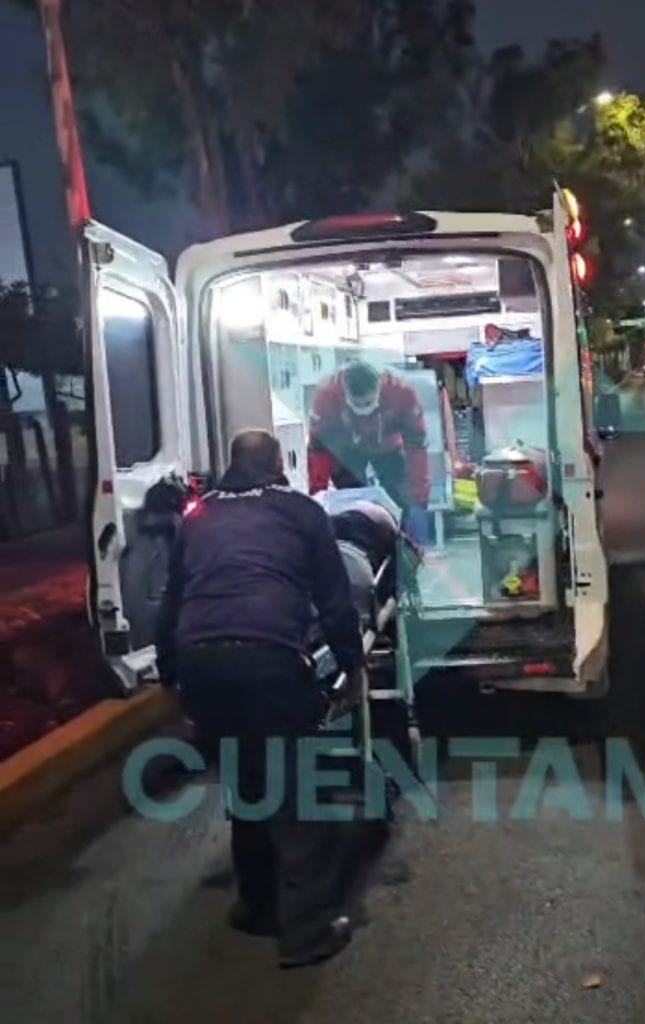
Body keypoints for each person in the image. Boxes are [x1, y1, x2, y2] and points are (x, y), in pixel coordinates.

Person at [155, 429, 366, 968]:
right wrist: (353, 668)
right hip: (268, 660)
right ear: (279, 466)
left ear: (231, 465)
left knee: (245, 780)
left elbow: (171, 601)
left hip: (201, 661)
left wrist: (170, 677)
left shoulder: (198, 518)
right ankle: (308, 933)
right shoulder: (301, 512)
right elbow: (336, 603)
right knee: (296, 793)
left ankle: (257, 905)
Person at [307, 360, 431, 543]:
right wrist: (318, 498)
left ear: (380, 387)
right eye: (357, 404)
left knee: (401, 499)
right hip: (346, 449)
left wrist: (420, 498)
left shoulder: (402, 392)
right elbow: (318, 450)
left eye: (368, 402)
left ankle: (403, 545)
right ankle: (360, 545)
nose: (364, 409)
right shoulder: (327, 396)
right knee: (352, 504)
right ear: (345, 393)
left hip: (388, 446)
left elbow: (417, 445)